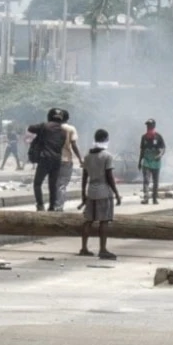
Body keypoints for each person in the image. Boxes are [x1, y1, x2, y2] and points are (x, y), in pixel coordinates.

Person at [78, 129, 121, 260]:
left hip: (91, 191)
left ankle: (84, 248)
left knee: (88, 221)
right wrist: (117, 194)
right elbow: (110, 177)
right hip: (104, 192)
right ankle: (103, 249)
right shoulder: (107, 156)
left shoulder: (87, 156)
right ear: (106, 139)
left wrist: (83, 195)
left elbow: (84, 177)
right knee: (104, 222)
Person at [27, 109, 67, 212]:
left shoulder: (45, 126)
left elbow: (30, 128)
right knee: (52, 185)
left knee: (37, 183)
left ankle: (40, 205)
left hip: (45, 159)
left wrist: (40, 128)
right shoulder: (63, 132)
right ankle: (52, 207)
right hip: (57, 160)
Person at [55, 109, 83, 211]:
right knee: (62, 185)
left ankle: (54, 206)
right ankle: (59, 207)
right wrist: (80, 159)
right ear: (67, 118)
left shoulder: (50, 128)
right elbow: (74, 145)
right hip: (65, 160)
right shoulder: (70, 129)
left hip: (52, 160)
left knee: (54, 184)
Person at [138, 118, 166, 204]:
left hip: (156, 162)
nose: (148, 127)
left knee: (155, 181)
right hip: (146, 161)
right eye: (147, 125)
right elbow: (142, 150)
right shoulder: (143, 137)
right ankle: (146, 198)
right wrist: (139, 162)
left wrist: (160, 155)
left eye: (150, 125)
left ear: (154, 126)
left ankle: (154, 198)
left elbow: (163, 148)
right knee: (146, 180)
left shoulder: (158, 136)